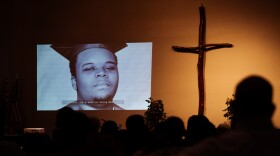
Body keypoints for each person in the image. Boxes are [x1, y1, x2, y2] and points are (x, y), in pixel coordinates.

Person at [51, 43, 127, 110]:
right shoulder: (54, 121)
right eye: (89, 68)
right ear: (74, 81)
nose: (101, 72)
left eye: (110, 67)